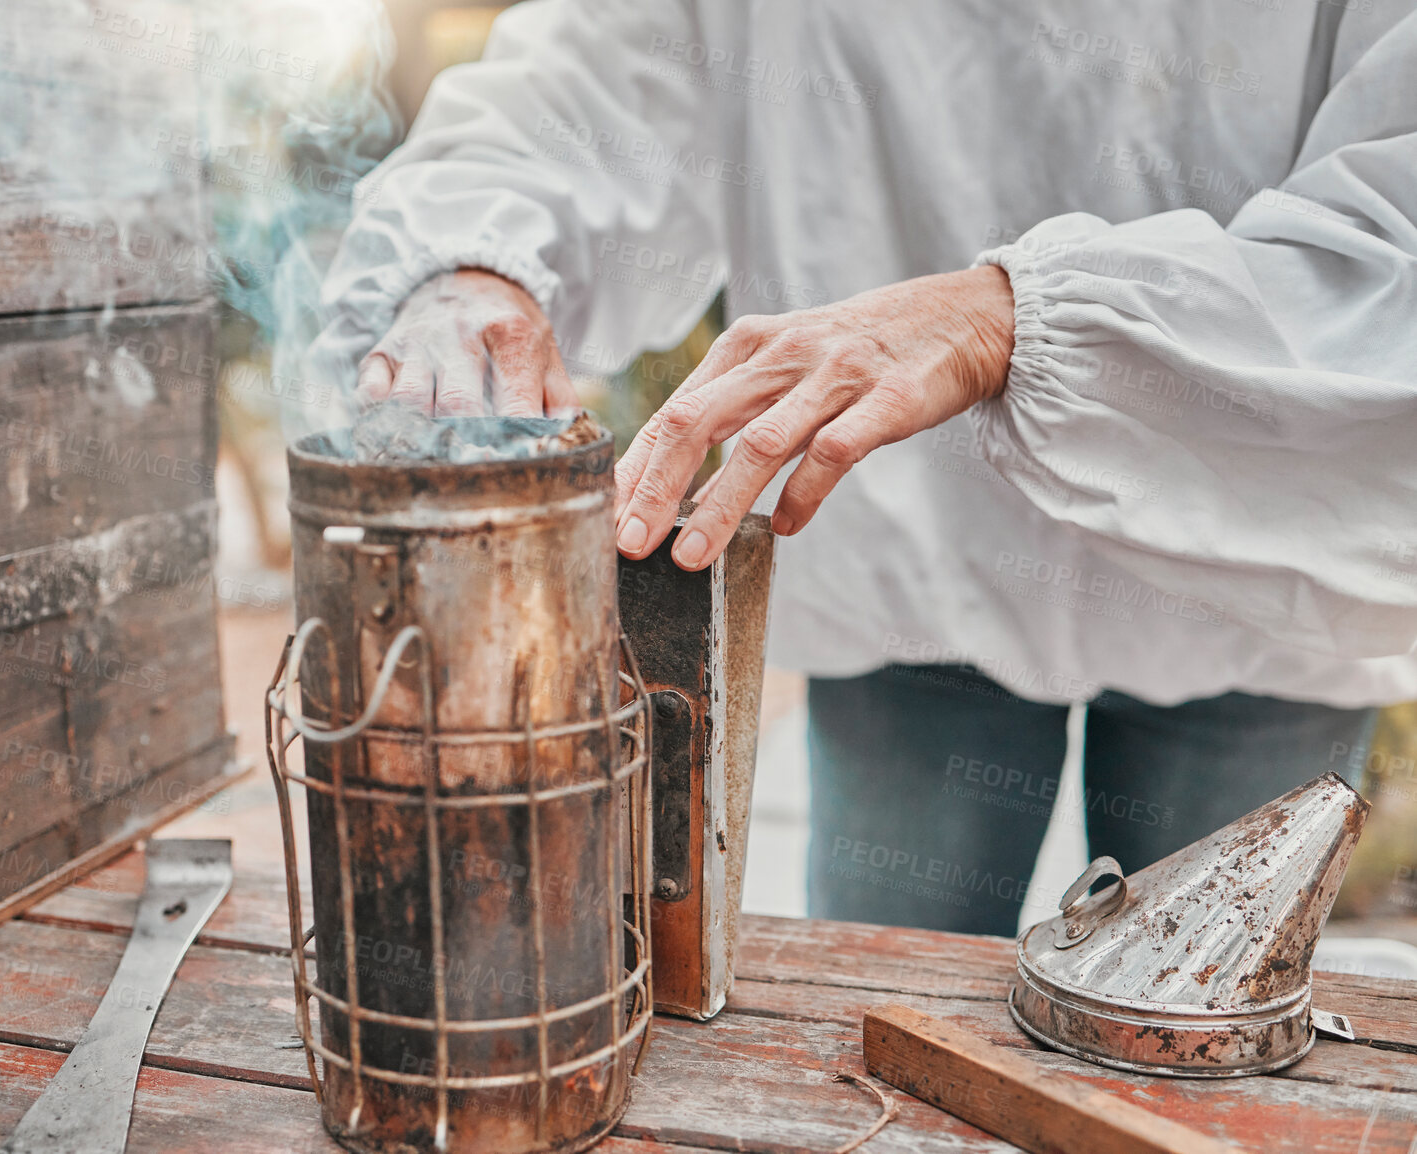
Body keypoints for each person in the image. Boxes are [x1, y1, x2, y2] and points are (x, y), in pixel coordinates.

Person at [312, 0, 1417, 936]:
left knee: (1212, 1043)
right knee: (880, 1018)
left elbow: (1394, 226)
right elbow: (597, 80)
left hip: (1252, 551)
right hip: (904, 543)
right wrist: (474, 257)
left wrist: (1006, 318)